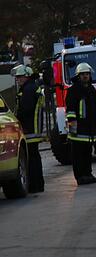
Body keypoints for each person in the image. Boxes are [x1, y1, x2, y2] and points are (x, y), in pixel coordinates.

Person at [65, 62, 96, 185]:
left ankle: (88, 174)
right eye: (83, 74)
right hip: (79, 129)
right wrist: (73, 127)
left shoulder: (92, 90)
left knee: (87, 153)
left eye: (87, 74)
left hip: (90, 128)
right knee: (78, 155)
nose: (85, 76)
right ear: (78, 76)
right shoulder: (73, 91)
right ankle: (80, 177)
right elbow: (70, 111)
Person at [13, 65, 46, 193]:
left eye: (20, 77)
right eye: (17, 77)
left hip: (29, 129)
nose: (18, 79)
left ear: (27, 76)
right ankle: (39, 184)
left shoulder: (28, 90)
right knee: (35, 157)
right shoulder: (33, 87)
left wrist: (16, 118)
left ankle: (34, 186)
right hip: (34, 128)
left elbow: (25, 110)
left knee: (31, 158)